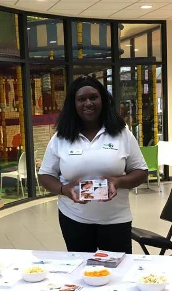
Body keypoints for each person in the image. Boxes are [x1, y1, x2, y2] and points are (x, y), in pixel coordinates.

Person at [38, 76, 148, 254]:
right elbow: (44, 175)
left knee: (117, 272)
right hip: (73, 218)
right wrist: (64, 189)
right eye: (81, 99)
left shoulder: (122, 134)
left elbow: (141, 172)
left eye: (93, 97)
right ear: (73, 104)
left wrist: (118, 182)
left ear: (103, 100)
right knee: (81, 271)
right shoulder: (61, 137)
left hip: (115, 219)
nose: (88, 103)